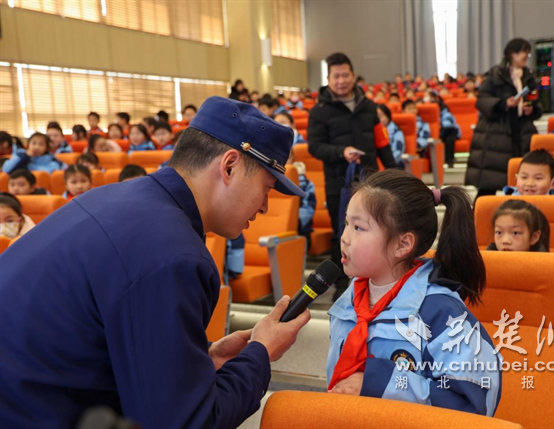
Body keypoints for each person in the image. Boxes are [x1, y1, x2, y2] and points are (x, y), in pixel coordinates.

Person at [0, 96, 311, 429]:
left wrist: (203, 357)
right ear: (229, 166)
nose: (264, 206)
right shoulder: (173, 255)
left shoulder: (116, 198)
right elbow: (188, 422)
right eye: (266, 188)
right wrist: (261, 352)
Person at [326, 170, 501, 416]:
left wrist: (382, 384)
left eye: (358, 228)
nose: (344, 238)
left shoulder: (441, 313)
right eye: (346, 223)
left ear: (403, 244)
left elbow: (473, 403)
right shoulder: (349, 300)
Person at [307, 52, 397, 300]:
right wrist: (341, 152)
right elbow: (314, 146)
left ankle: (374, 279)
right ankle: (340, 286)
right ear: (328, 79)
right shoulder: (319, 111)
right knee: (342, 233)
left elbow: (381, 142)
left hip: (371, 181)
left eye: (345, 75)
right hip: (338, 182)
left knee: (375, 228)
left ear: (353, 75)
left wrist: (395, 172)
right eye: (336, 76)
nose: (341, 80)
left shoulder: (368, 106)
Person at [488, 200, 554, 357]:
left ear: (534, 237)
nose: (505, 240)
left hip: (545, 357)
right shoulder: (483, 270)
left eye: (515, 233)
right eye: (499, 232)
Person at [466, 38, 542, 199]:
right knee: (488, 185)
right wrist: (504, 104)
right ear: (512, 54)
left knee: (521, 181)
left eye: (528, 53)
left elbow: (537, 103)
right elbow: (481, 100)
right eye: (524, 52)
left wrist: (531, 108)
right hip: (497, 133)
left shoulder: (528, 76)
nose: (526, 56)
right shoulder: (496, 74)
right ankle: (480, 214)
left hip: (521, 132)